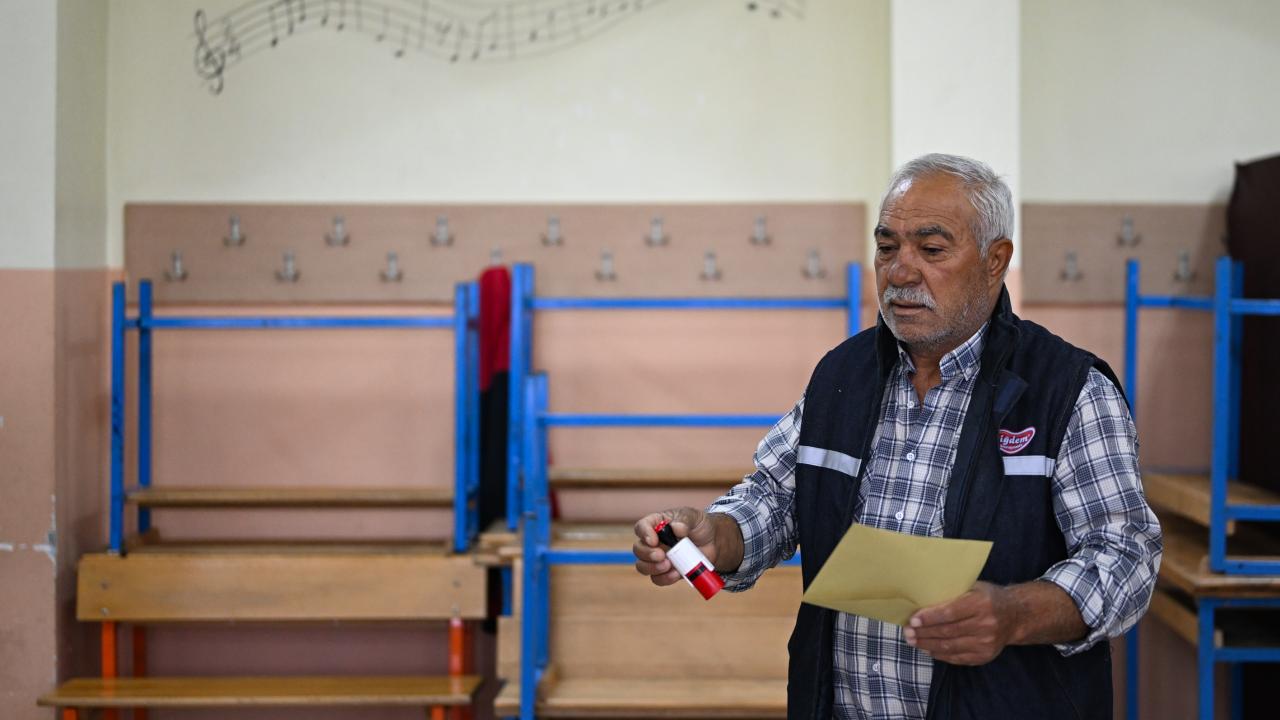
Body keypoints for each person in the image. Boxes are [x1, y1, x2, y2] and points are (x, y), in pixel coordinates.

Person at [632, 153, 1162, 720]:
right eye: (887, 248)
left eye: (931, 250)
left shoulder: (1066, 389)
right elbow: (776, 499)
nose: (901, 272)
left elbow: (1125, 556)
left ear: (995, 260)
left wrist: (1014, 613)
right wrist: (718, 533)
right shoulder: (843, 376)